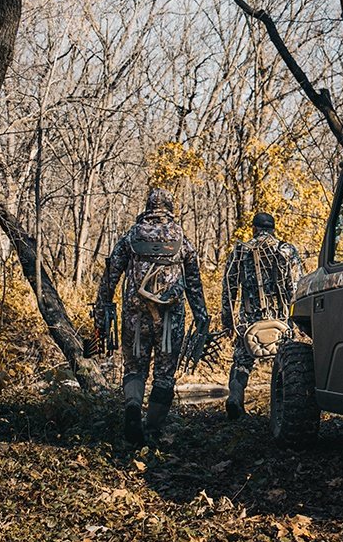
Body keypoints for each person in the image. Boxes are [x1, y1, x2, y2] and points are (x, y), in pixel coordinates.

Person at [94, 188, 210, 444]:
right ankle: (153, 428)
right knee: (165, 374)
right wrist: (202, 316)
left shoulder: (131, 236)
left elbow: (111, 274)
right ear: (169, 207)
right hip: (171, 319)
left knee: (134, 368)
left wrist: (102, 306)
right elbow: (194, 282)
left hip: (135, 317)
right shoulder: (181, 238)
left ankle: (133, 407)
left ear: (148, 206)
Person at [221, 212, 302, 420]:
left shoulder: (241, 250)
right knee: (284, 362)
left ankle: (235, 398)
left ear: (254, 229)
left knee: (241, 362)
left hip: (249, 322)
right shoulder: (287, 250)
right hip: (280, 321)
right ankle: (284, 411)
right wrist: (297, 320)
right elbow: (297, 286)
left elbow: (229, 288)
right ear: (273, 229)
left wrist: (228, 322)